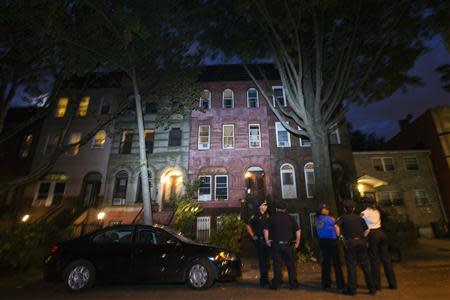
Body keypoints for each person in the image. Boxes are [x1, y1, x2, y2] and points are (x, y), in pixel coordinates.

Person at [335, 200, 376, 296]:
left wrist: (340, 237)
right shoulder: (359, 218)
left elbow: (336, 226)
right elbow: (367, 230)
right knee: (365, 266)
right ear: (353, 208)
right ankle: (372, 289)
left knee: (351, 267)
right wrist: (363, 238)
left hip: (350, 243)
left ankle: (352, 290)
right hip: (361, 243)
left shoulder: (343, 218)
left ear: (345, 209)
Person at [361, 197, 397, 290]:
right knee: (386, 259)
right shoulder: (377, 211)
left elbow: (360, 221)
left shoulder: (364, 213)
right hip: (381, 233)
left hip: (372, 234)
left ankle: (377, 284)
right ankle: (392, 283)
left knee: (374, 260)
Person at [264, 201, 301, 290]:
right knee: (290, 265)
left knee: (277, 265)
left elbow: (266, 230)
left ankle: (276, 285)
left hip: (276, 245)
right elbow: (298, 230)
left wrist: (267, 240)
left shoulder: (272, 218)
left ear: (276, 209)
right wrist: (298, 241)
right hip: (288, 245)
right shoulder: (290, 218)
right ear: (285, 209)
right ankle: (293, 284)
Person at [315, 203, 345, 290]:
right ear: (322, 210)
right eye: (325, 209)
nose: (326, 210)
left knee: (325, 262)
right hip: (332, 241)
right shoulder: (330, 219)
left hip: (323, 242)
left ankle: (326, 283)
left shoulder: (317, 219)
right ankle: (340, 284)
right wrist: (339, 236)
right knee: (336, 263)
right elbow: (336, 226)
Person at [245, 199, 270, 287]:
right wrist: (252, 235)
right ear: (260, 206)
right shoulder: (256, 216)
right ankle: (263, 281)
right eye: (264, 205)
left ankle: (266, 279)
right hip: (260, 240)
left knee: (267, 261)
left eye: (266, 205)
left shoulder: (267, 215)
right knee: (263, 261)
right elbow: (247, 224)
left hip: (268, 241)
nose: (266, 206)